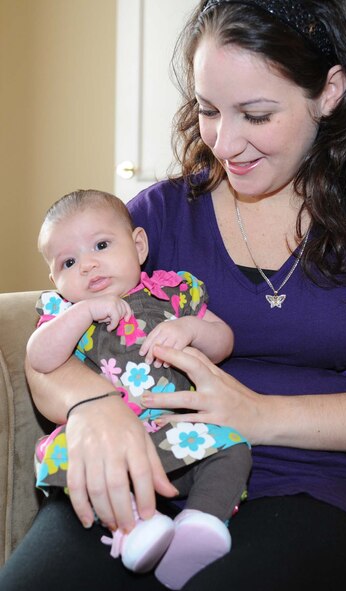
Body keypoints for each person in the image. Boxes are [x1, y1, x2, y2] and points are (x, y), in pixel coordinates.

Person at [1, 0, 346, 589]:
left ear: (330, 91)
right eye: (209, 110)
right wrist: (94, 408)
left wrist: (261, 415)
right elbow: (47, 354)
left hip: (319, 481)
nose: (226, 143)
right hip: (153, 461)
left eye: (256, 115)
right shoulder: (155, 217)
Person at [26, 189, 251, 589]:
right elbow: (40, 358)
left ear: (138, 245)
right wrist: (84, 312)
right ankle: (133, 528)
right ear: (55, 279)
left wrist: (190, 329)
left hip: (173, 433)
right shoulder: (65, 312)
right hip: (106, 446)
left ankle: (200, 524)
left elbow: (224, 341)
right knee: (66, 461)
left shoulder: (173, 292)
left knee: (232, 447)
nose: (88, 265)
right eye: (69, 262)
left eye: (101, 245)